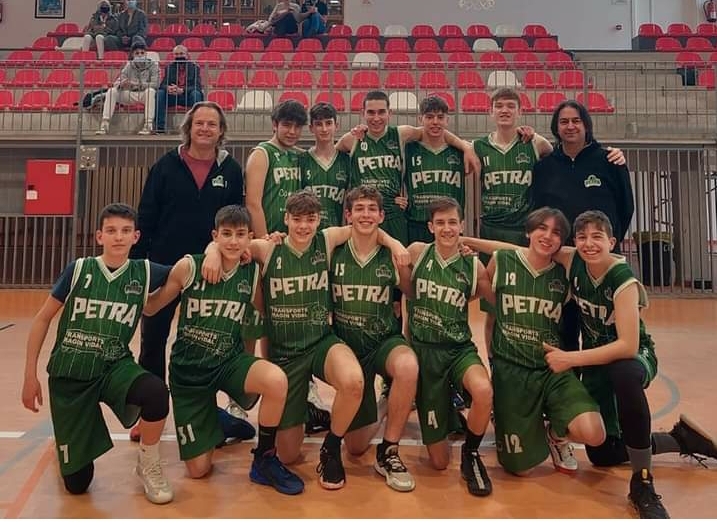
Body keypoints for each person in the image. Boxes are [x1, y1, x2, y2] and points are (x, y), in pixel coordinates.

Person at [205, 189, 408, 490]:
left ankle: (331, 448)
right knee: (288, 454)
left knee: (353, 380)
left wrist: (393, 242)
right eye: (297, 219)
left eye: (310, 219)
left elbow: (367, 228)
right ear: (286, 219)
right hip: (286, 355)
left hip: (321, 342)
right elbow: (230, 243)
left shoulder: (325, 240)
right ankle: (305, 411)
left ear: (318, 220)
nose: (303, 226)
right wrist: (212, 251)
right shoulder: (267, 248)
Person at [544, 210, 717, 518]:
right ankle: (679, 439)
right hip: (597, 360)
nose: (589, 243)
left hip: (633, 354)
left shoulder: (623, 279)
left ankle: (642, 482)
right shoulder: (574, 261)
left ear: (612, 242)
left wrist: (570, 358)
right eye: (582, 237)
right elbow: (519, 250)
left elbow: (627, 345)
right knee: (602, 453)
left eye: (597, 237)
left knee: (624, 373)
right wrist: (466, 242)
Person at [144, 205, 304, 495]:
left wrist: (277, 243)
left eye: (240, 234)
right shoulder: (189, 267)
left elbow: (267, 310)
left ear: (249, 237)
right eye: (226, 234)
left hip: (229, 363)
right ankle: (218, 421)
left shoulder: (250, 273)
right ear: (214, 235)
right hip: (189, 375)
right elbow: (153, 306)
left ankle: (264, 458)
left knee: (276, 380)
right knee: (198, 470)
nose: (233, 241)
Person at [21, 203, 174, 504]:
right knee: (78, 484)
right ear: (99, 236)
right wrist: (30, 376)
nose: (119, 237)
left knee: (156, 392)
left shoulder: (143, 272)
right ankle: (67, 442)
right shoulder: (79, 270)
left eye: (126, 231)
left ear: (136, 236)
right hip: (71, 374)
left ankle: (148, 463)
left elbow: (185, 269)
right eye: (112, 230)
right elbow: (41, 319)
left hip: (113, 367)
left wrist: (213, 251)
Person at [130, 101, 252, 443]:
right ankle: (150, 413)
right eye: (200, 123)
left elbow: (235, 219)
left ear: (221, 130)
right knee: (153, 341)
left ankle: (205, 411)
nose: (205, 129)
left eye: (212, 124)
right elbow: (146, 215)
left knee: (205, 342)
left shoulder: (231, 170)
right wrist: (139, 265)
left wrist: (231, 249)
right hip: (166, 265)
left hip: (211, 269)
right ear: (189, 127)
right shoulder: (165, 166)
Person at [463, 207, 607, 478]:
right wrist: (492, 361)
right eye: (542, 228)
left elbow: (607, 259)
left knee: (594, 433)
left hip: (550, 368)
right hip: (511, 370)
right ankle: (510, 415)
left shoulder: (565, 272)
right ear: (528, 231)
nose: (548, 236)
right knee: (519, 469)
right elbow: (492, 311)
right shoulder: (502, 261)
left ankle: (555, 435)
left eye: (556, 232)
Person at [244, 99, 332, 435]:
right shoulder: (262, 154)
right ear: (274, 124)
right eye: (286, 125)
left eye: (297, 126)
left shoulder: (298, 156)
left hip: (295, 244)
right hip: (271, 245)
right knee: (260, 319)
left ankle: (302, 388)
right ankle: (247, 394)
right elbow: (253, 202)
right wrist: (263, 241)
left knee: (290, 318)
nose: (292, 131)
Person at [403, 197, 495, 497]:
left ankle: (471, 452)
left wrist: (471, 244)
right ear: (430, 226)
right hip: (426, 352)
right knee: (440, 462)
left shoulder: (473, 265)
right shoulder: (417, 252)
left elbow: (490, 293)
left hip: (458, 349)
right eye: (440, 223)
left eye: (452, 222)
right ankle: (451, 410)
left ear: (462, 225)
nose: (447, 228)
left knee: (483, 391)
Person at [532, 99, 634, 352]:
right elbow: (537, 212)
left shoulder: (610, 161)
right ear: (556, 127)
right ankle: (567, 374)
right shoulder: (544, 167)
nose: (570, 126)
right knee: (564, 328)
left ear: (586, 125)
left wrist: (604, 244)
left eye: (576, 121)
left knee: (604, 329)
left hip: (599, 260)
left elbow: (626, 207)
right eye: (564, 122)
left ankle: (601, 374)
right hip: (561, 261)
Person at [337, 186, 419, 492]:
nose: (366, 214)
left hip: (383, 340)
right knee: (355, 447)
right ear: (348, 215)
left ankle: (389, 451)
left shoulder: (391, 255)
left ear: (382, 216)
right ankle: (385, 404)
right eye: (359, 209)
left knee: (408, 366)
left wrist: (404, 264)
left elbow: (411, 292)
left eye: (372, 209)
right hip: (347, 347)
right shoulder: (333, 249)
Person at [404, 94, 466, 244]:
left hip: (449, 225)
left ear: (447, 120)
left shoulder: (461, 150)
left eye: (440, 117)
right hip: (417, 223)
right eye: (430, 117)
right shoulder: (408, 149)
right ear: (420, 119)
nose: (435, 122)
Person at [299, 102, 351, 230]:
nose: (324, 129)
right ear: (311, 128)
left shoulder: (347, 161)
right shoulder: (301, 160)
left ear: (336, 126)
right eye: (318, 124)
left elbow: (351, 202)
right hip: (307, 232)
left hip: (337, 234)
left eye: (328, 123)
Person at [96, 38, 158, 136]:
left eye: (142, 53)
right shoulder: (129, 66)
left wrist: (136, 84)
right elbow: (117, 82)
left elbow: (155, 84)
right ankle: (104, 125)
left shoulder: (153, 66)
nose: (140, 55)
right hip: (130, 94)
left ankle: (148, 125)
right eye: (137, 53)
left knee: (151, 91)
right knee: (112, 91)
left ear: (146, 54)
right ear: (133, 55)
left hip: (143, 95)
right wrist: (121, 84)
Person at [155, 45, 204, 134]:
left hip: (187, 96)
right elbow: (163, 84)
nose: (179, 56)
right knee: (160, 93)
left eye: (181, 54)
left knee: (196, 94)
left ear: (187, 55)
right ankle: (159, 128)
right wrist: (168, 88)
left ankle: (196, 127)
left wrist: (182, 90)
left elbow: (197, 86)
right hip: (173, 96)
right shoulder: (169, 67)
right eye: (176, 54)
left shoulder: (194, 67)